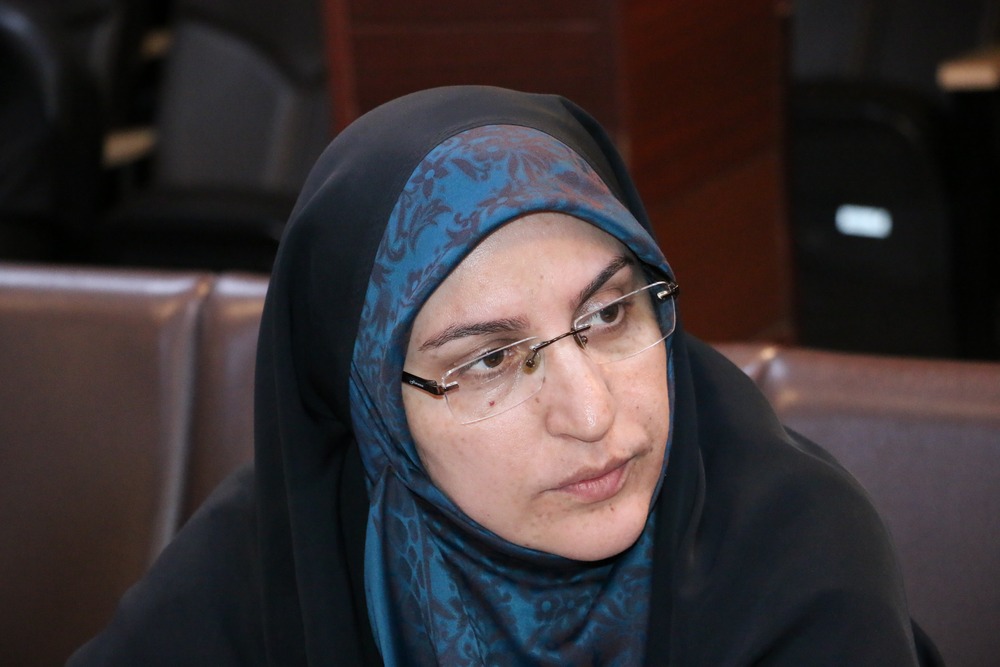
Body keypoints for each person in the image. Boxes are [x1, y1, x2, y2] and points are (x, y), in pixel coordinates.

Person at [67, 85, 939, 666]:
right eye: (490, 360)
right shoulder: (275, 553)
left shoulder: (799, 559)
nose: (592, 412)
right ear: (374, 412)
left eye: (609, 315)